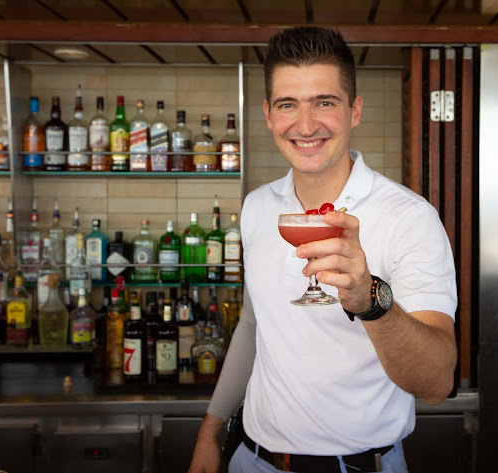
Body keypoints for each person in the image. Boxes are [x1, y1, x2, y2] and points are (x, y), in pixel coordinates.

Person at [188, 26, 457, 473]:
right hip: (251, 460)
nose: (306, 125)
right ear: (268, 114)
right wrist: (209, 430)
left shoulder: (409, 217)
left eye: (324, 103)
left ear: (354, 111)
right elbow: (255, 327)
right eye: (288, 104)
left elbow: (436, 383)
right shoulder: (258, 208)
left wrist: (372, 301)